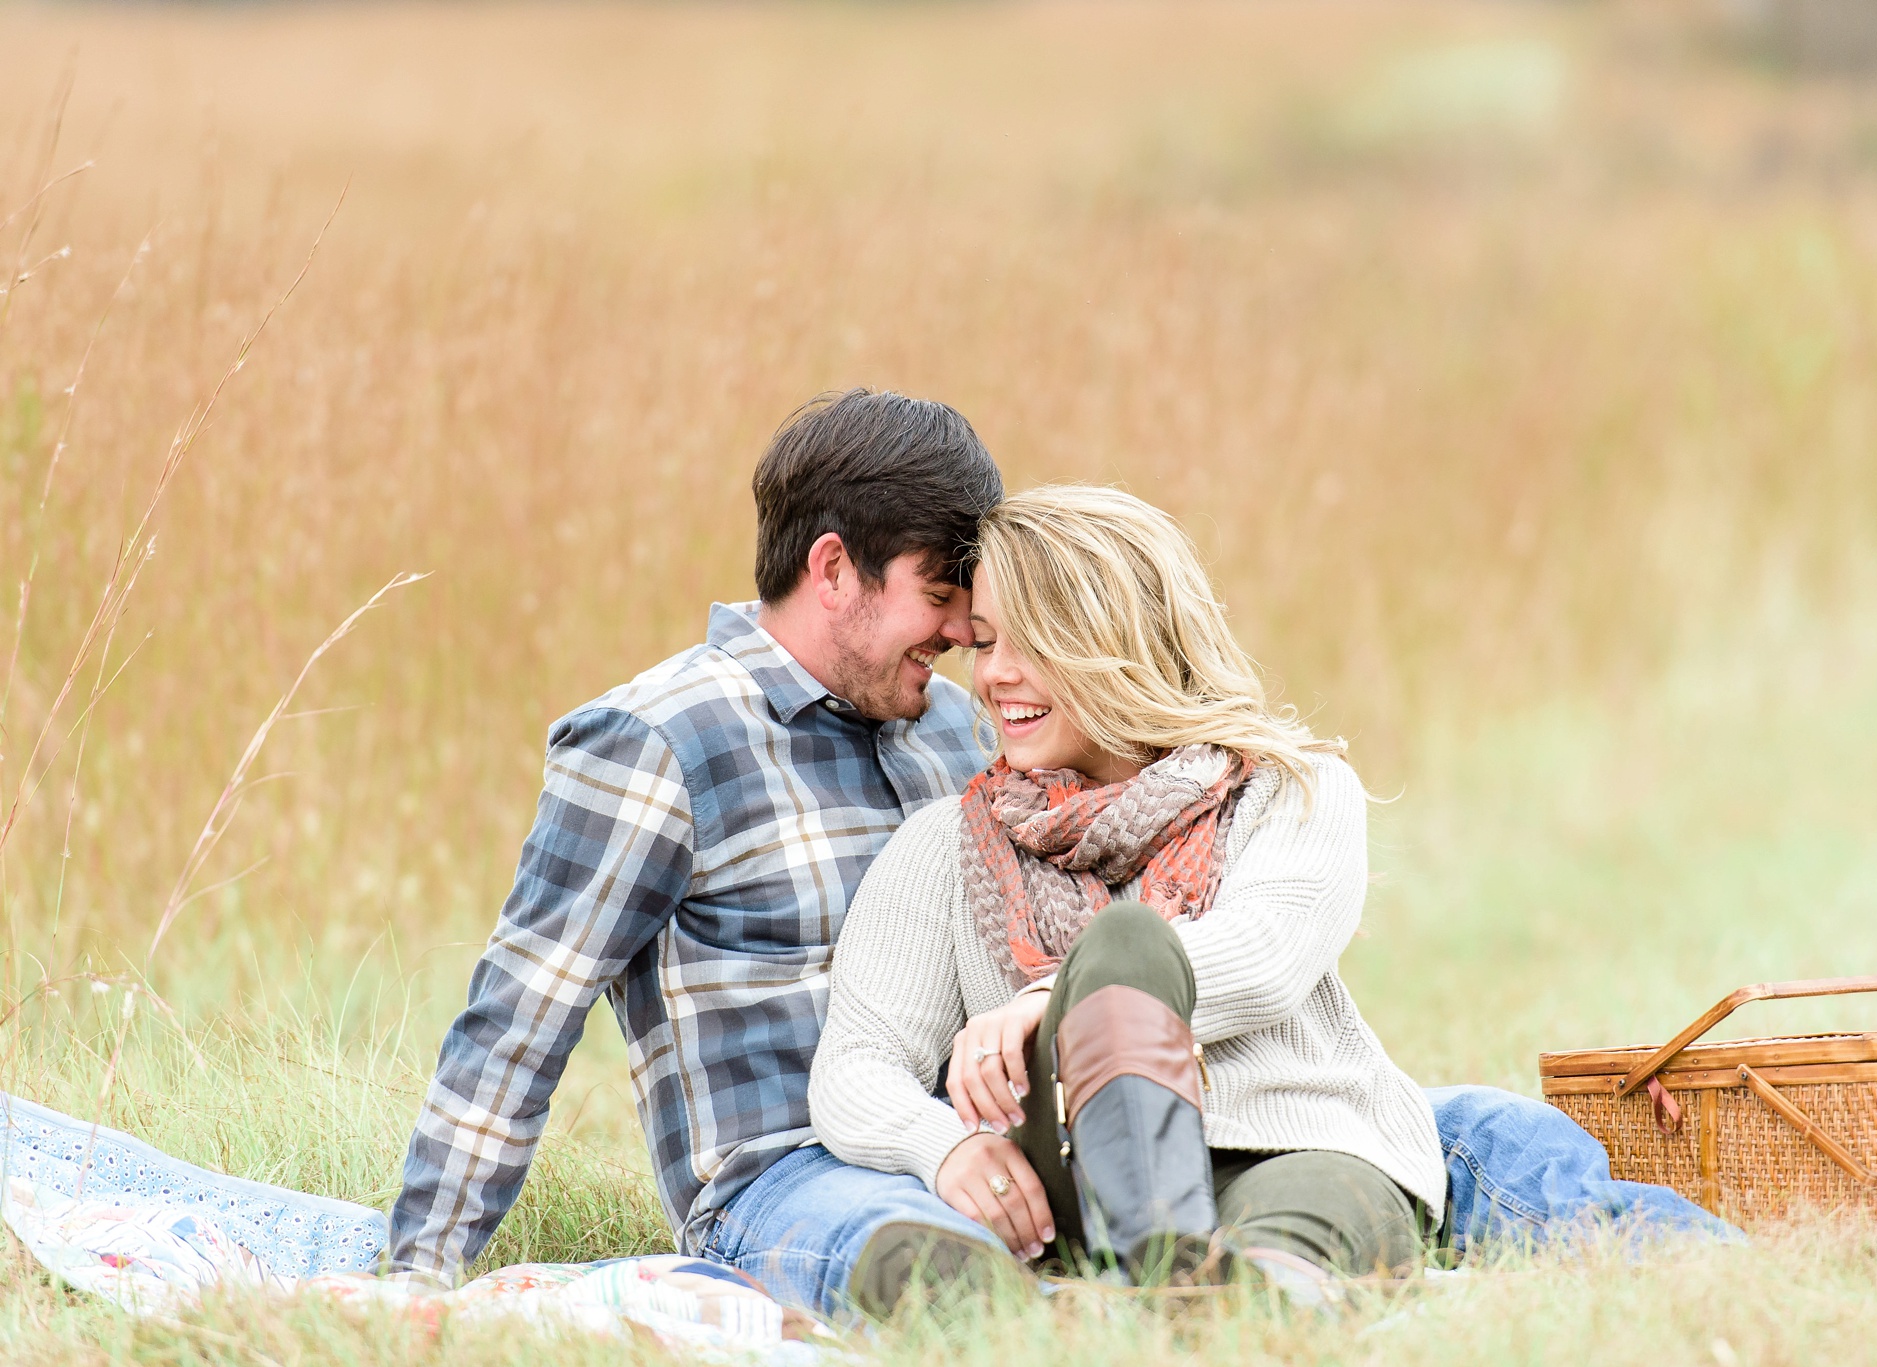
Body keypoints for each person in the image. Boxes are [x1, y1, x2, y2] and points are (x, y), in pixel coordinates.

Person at [385, 389, 1018, 1316]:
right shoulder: (659, 741)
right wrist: (415, 1280)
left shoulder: (953, 727)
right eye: (936, 593)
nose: (964, 632)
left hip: (969, 1144)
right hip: (790, 1182)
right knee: (939, 1273)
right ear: (834, 568)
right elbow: (520, 1022)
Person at [811, 485, 1445, 1285]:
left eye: (1031, 642)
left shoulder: (1292, 789)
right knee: (902, 1261)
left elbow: (1267, 954)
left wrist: (1057, 996)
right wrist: (945, 1147)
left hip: (1294, 1147)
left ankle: (1185, 1300)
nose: (995, 674)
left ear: (1121, 639)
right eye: (983, 641)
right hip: (1079, 1193)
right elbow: (855, 1065)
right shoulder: (943, 844)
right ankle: (1160, 1270)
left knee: (1290, 1243)